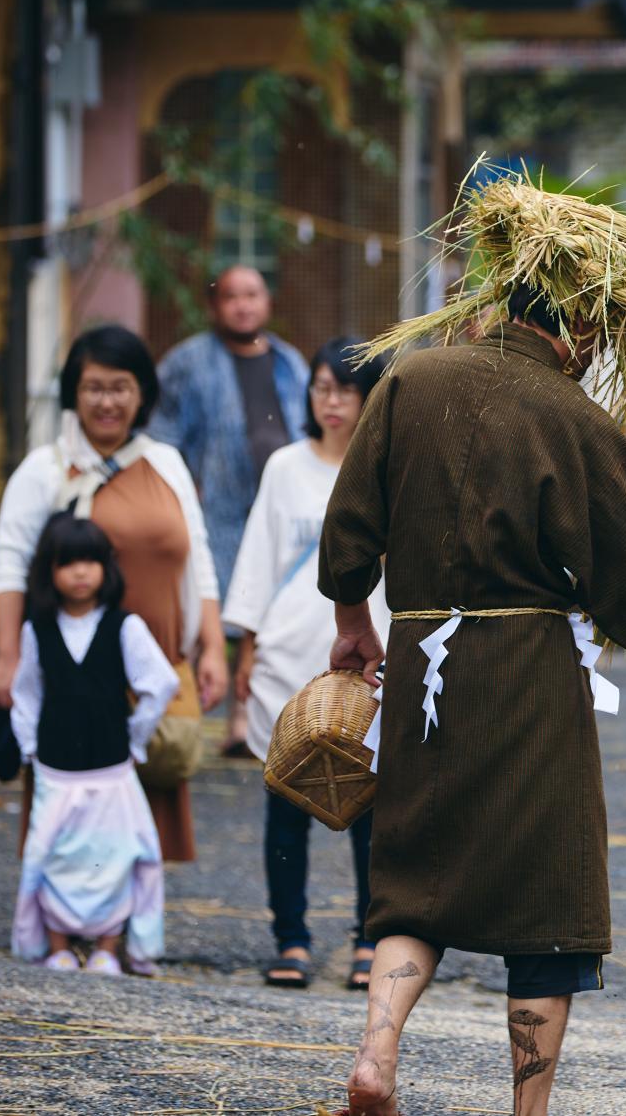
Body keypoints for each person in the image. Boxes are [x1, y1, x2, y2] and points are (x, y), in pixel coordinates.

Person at [318, 179, 626, 1116]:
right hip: (528, 685)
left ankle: (377, 1054)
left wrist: (352, 623)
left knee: (410, 884)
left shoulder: (410, 377)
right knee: (550, 911)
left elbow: (349, 522)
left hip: (418, 670)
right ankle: (529, 1111)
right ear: (579, 326)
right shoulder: (576, 419)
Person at [0, 326, 227, 862]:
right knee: (71, 822)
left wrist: (210, 645)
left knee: (144, 827)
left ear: (142, 392)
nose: (107, 401)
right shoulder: (43, 471)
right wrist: (7, 657)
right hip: (73, 677)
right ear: (73, 393)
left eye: (120, 387)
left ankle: (125, 937)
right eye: (94, 387)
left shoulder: (166, 463)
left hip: (156, 668)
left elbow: (200, 561)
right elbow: (9, 566)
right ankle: (66, 937)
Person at [223, 338, 390, 991]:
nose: (332, 400)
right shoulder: (286, 467)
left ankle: (369, 938)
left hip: (367, 658)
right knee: (285, 800)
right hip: (288, 660)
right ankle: (289, 937)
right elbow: (257, 563)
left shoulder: (389, 470)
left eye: (346, 389)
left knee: (373, 804)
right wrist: (243, 652)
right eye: (321, 386)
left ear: (370, 398)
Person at [147, 266, 308, 753]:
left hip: (277, 504)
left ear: (268, 302)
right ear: (214, 306)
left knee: (265, 608)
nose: (242, 305)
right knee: (210, 607)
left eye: (252, 295)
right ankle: (192, 719)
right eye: (231, 297)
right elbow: (160, 434)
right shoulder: (186, 362)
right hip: (213, 507)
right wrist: (179, 485)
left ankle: (247, 720)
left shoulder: (290, 362)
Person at [9, 514, 178, 975]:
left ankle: (108, 947)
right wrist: (29, 750)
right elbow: (26, 696)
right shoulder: (36, 630)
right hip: (55, 769)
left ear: (106, 567)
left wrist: (135, 739)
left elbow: (160, 683)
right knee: (53, 855)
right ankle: (58, 946)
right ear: (49, 571)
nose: (80, 573)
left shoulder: (124, 626)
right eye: (68, 563)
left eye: (90, 562)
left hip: (111, 770)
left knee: (117, 857)